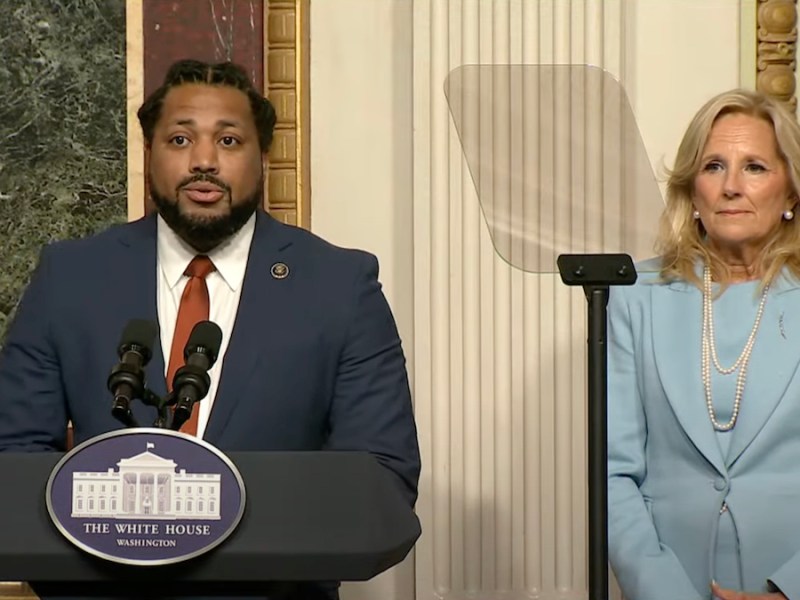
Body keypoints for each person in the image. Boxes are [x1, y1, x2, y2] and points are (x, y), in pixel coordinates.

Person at [0, 59, 420, 599]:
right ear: (148, 153)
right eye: (179, 139)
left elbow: (382, 475)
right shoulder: (71, 277)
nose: (203, 161)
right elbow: (13, 457)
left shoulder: (340, 287)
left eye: (228, 140)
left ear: (262, 156)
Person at [607, 88, 800, 600]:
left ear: (792, 193)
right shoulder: (633, 296)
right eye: (714, 166)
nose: (732, 187)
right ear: (693, 192)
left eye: (755, 167)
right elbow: (612, 474)